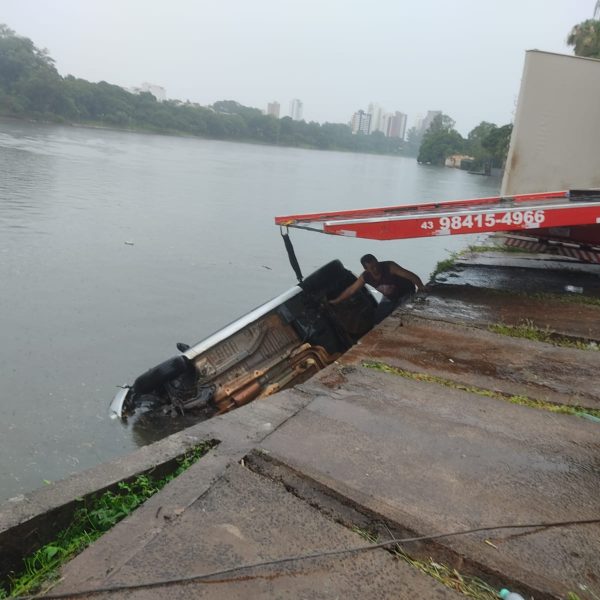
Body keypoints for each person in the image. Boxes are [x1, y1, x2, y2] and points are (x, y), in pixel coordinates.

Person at [330, 254, 427, 323]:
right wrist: (337, 301)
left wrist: (421, 286)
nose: (376, 269)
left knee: (402, 315)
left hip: (405, 293)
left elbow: (410, 275)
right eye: (372, 268)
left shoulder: (390, 266)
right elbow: (351, 290)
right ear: (366, 269)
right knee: (377, 318)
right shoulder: (365, 277)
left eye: (376, 265)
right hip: (389, 297)